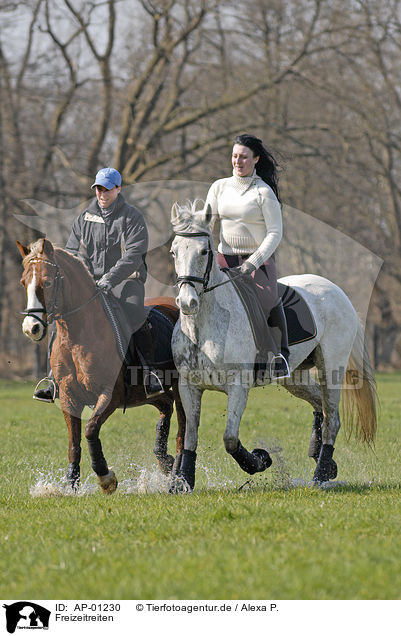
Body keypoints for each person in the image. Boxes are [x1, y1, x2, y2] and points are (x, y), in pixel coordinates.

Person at [33, 167, 164, 402]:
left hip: (126, 280)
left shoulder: (132, 217)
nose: (102, 194)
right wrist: (85, 276)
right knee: (61, 315)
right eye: (98, 189)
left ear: (118, 189)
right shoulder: (84, 218)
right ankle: (52, 378)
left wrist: (109, 278)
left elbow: (133, 255)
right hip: (91, 282)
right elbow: (72, 252)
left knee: (134, 313)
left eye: (107, 189)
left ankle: (148, 373)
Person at [204, 133, 290, 378]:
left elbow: (275, 233)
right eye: (234, 156)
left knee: (268, 299)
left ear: (255, 159)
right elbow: (207, 224)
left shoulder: (263, 192)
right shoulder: (218, 187)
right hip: (224, 258)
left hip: (257, 260)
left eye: (243, 157)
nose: (237, 161)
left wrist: (252, 262)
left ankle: (279, 355)